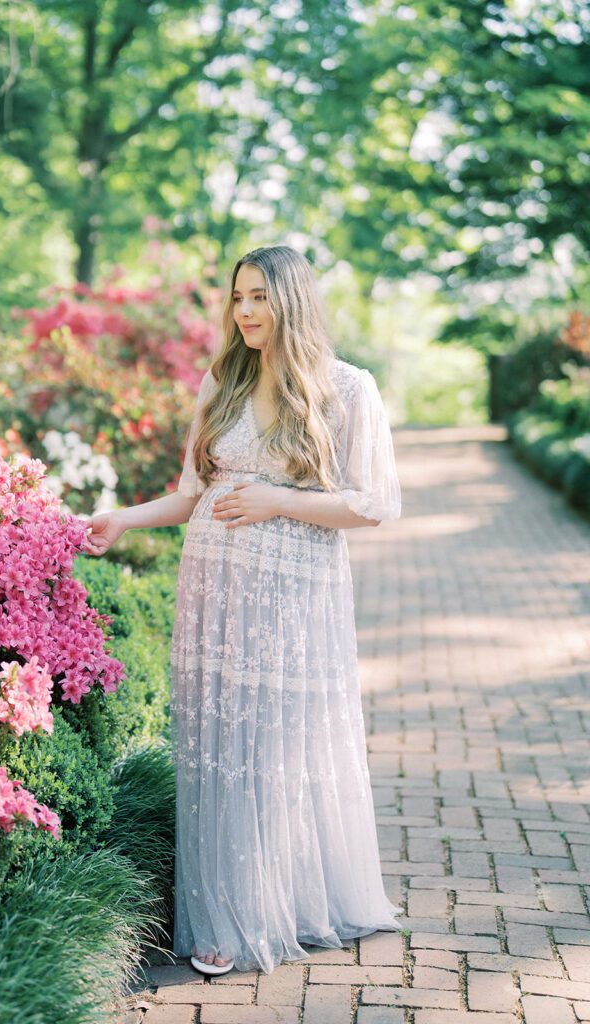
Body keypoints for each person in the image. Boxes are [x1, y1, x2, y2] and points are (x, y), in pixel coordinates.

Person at [83, 244, 404, 977]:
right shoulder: (221, 381)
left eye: (260, 295)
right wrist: (124, 519)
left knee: (279, 746)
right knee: (219, 754)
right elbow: (193, 493)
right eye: (238, 297)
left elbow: (374, 504)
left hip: (297, 595)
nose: (247, 311)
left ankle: (277, 904)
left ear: (292, 300)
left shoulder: (348, 389)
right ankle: (223, 914)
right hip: (213, 594)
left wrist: (279, 500)